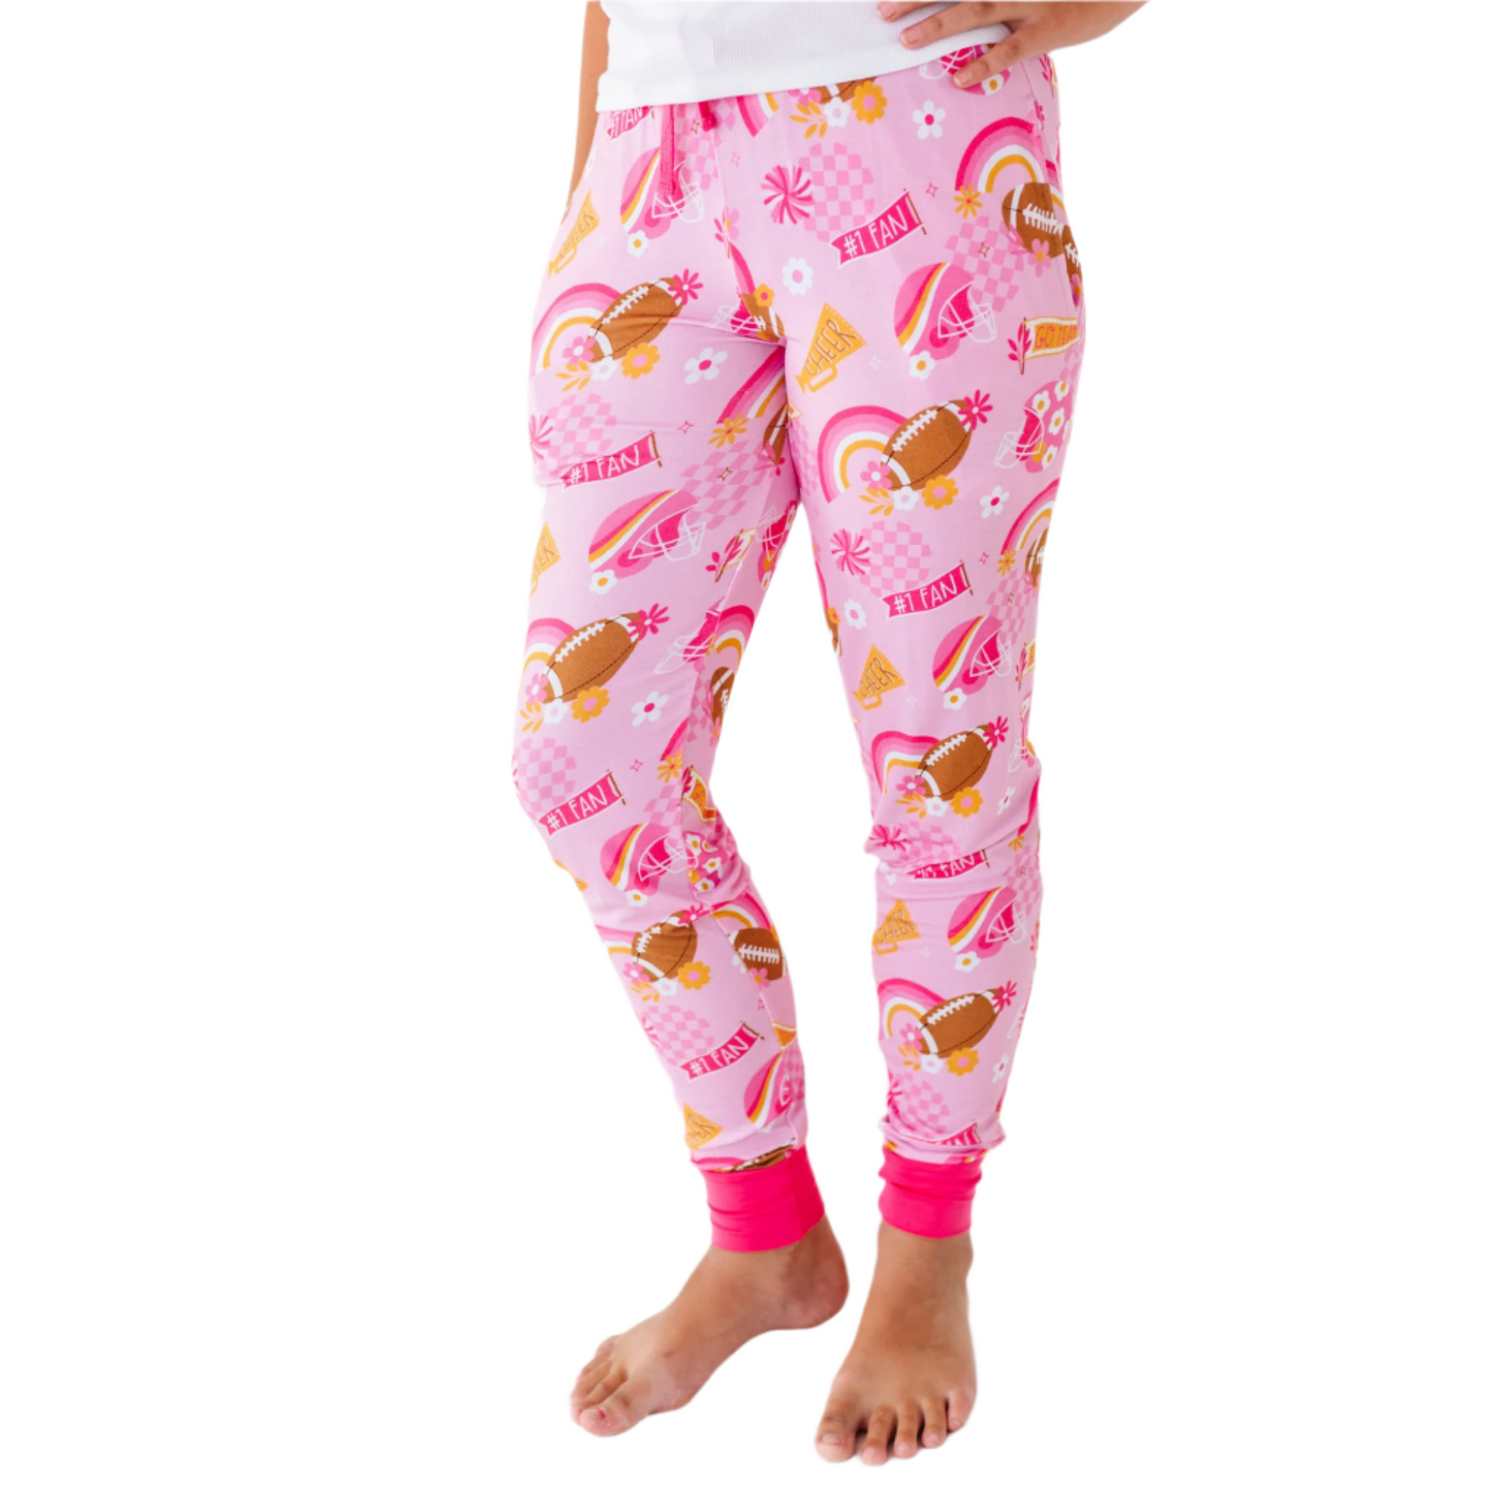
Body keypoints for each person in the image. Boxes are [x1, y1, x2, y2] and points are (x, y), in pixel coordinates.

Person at [514, 0, 1143, 1464]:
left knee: (938, 746)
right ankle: (765, 1231)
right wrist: (590, 185)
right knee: (584, 762)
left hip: (915, 141)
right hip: (647, 175)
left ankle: (927, 1239)